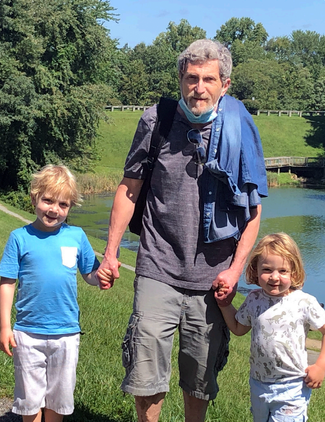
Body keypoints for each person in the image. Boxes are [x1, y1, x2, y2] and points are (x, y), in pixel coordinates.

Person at [97, 39, 268, 422]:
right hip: (158, 265)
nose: (199, 88)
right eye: (192, 78)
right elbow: (129, 189)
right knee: (146, 376)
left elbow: (254, 212)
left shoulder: (241, 128)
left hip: (213, 276)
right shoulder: (156, 120)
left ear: (225, 84)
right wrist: (111, 253)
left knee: (200, 378)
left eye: (209, 79)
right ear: (180, 78)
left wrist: (236, 269)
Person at [0, 165, 112, 422]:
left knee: (59, 400)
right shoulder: (19, 238)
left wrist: (102, 277)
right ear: (34, 199)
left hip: (66, 333)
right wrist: (5, 326)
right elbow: (6, 282)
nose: (54, 209)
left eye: (63, 204)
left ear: (71, 207)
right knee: (29, 401)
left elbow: (90, 274)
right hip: (27, 333)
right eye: (48, 200)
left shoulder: (77, 236)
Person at [218, 233, 325, 421]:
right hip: (258, 384)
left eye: (283, 271)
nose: (274, 277)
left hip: (292, 386)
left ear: (294, 272)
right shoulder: (253, 299)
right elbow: (238, 328)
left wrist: (320, 366)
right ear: (255, 270)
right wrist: (225, 304)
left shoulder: (304, 302)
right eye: (267, 269)